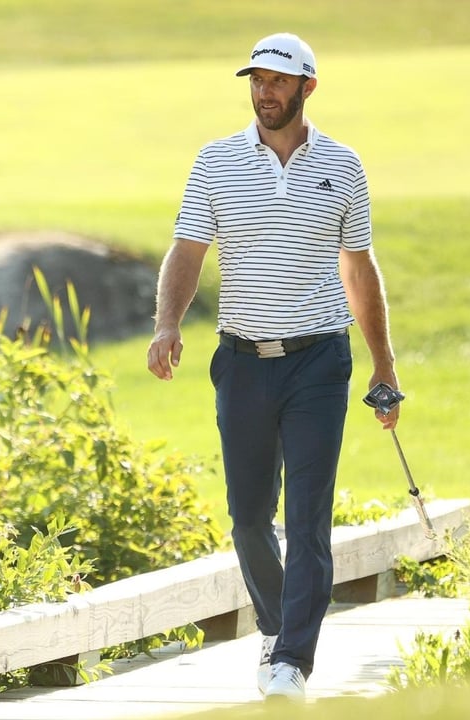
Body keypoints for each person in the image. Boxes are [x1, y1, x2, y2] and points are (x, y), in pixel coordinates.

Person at [145, 32, 400, 703]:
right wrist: (168, 324)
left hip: (319, 362)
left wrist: (383, 364)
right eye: (257, 80)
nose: (265, 92)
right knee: (249, 517)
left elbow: (358, 269)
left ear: (307, 87)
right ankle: (275, 626)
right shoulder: (216, 162)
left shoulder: (342, 165)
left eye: (279, 82)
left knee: (308, 516)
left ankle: (291, 660)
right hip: (242, 363)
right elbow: (188, 251)